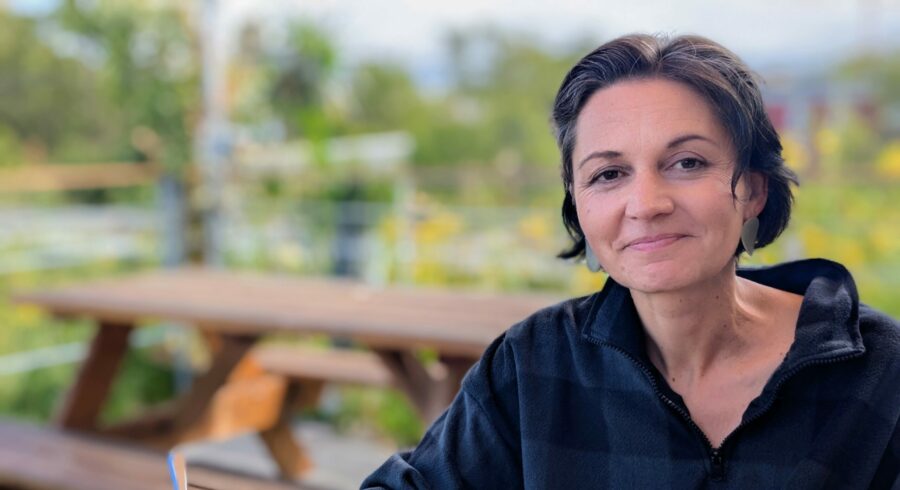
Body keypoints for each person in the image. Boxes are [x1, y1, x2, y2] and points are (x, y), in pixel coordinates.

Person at [362, 34, 900, 489]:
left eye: (687, 163)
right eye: (608, 174)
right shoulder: (532, 366)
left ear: (754, 191)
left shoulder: (879, 371)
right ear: (578, 206)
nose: (646, 204)